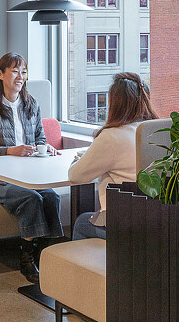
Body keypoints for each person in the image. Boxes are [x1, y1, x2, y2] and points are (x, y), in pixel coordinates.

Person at [0, 52, 61, 284]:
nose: (20, 76)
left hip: (27, 174)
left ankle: (49, 255)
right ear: (0, 74)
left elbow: (40, 138)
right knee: (31, 199)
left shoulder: (31, 103)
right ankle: (26, 257)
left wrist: (46, 147)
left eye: (23, 72)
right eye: (15, 71)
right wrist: (10, 150)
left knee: (52, 198)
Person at [67, 72, 158, 240]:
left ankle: (92, 266)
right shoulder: (156, 131)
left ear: (114, 103)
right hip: (158, 218)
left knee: (81, 223)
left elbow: (75, 176)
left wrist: (76, 161)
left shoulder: (113, 136)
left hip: (125, 223)